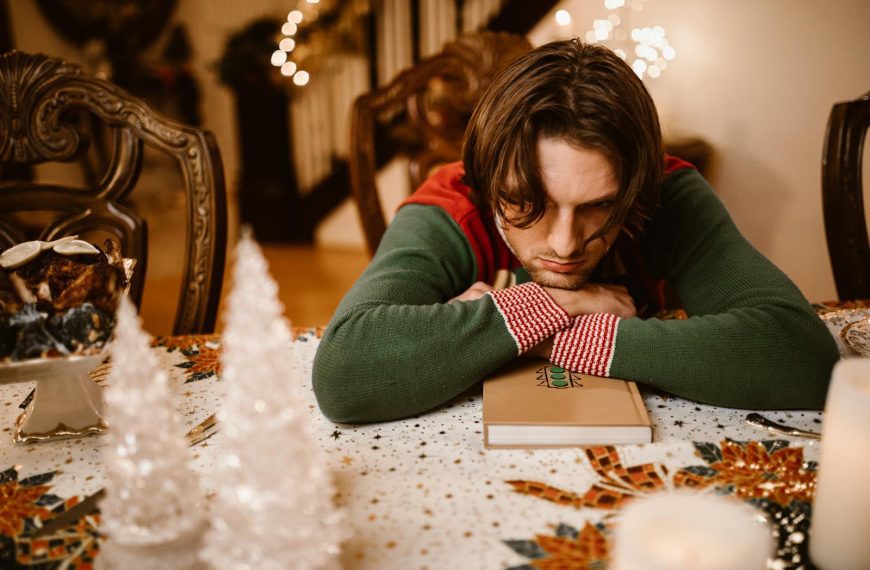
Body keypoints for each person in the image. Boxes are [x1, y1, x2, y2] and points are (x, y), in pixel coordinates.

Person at [312, 39, 838, 423]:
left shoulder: (667, 194)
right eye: (526, 204)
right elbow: (344, 374)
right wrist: (557, 305)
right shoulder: (449, 205)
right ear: (485, 181)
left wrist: (510, 332)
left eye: (599, 207)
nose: (565, 244)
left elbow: (802, 357)